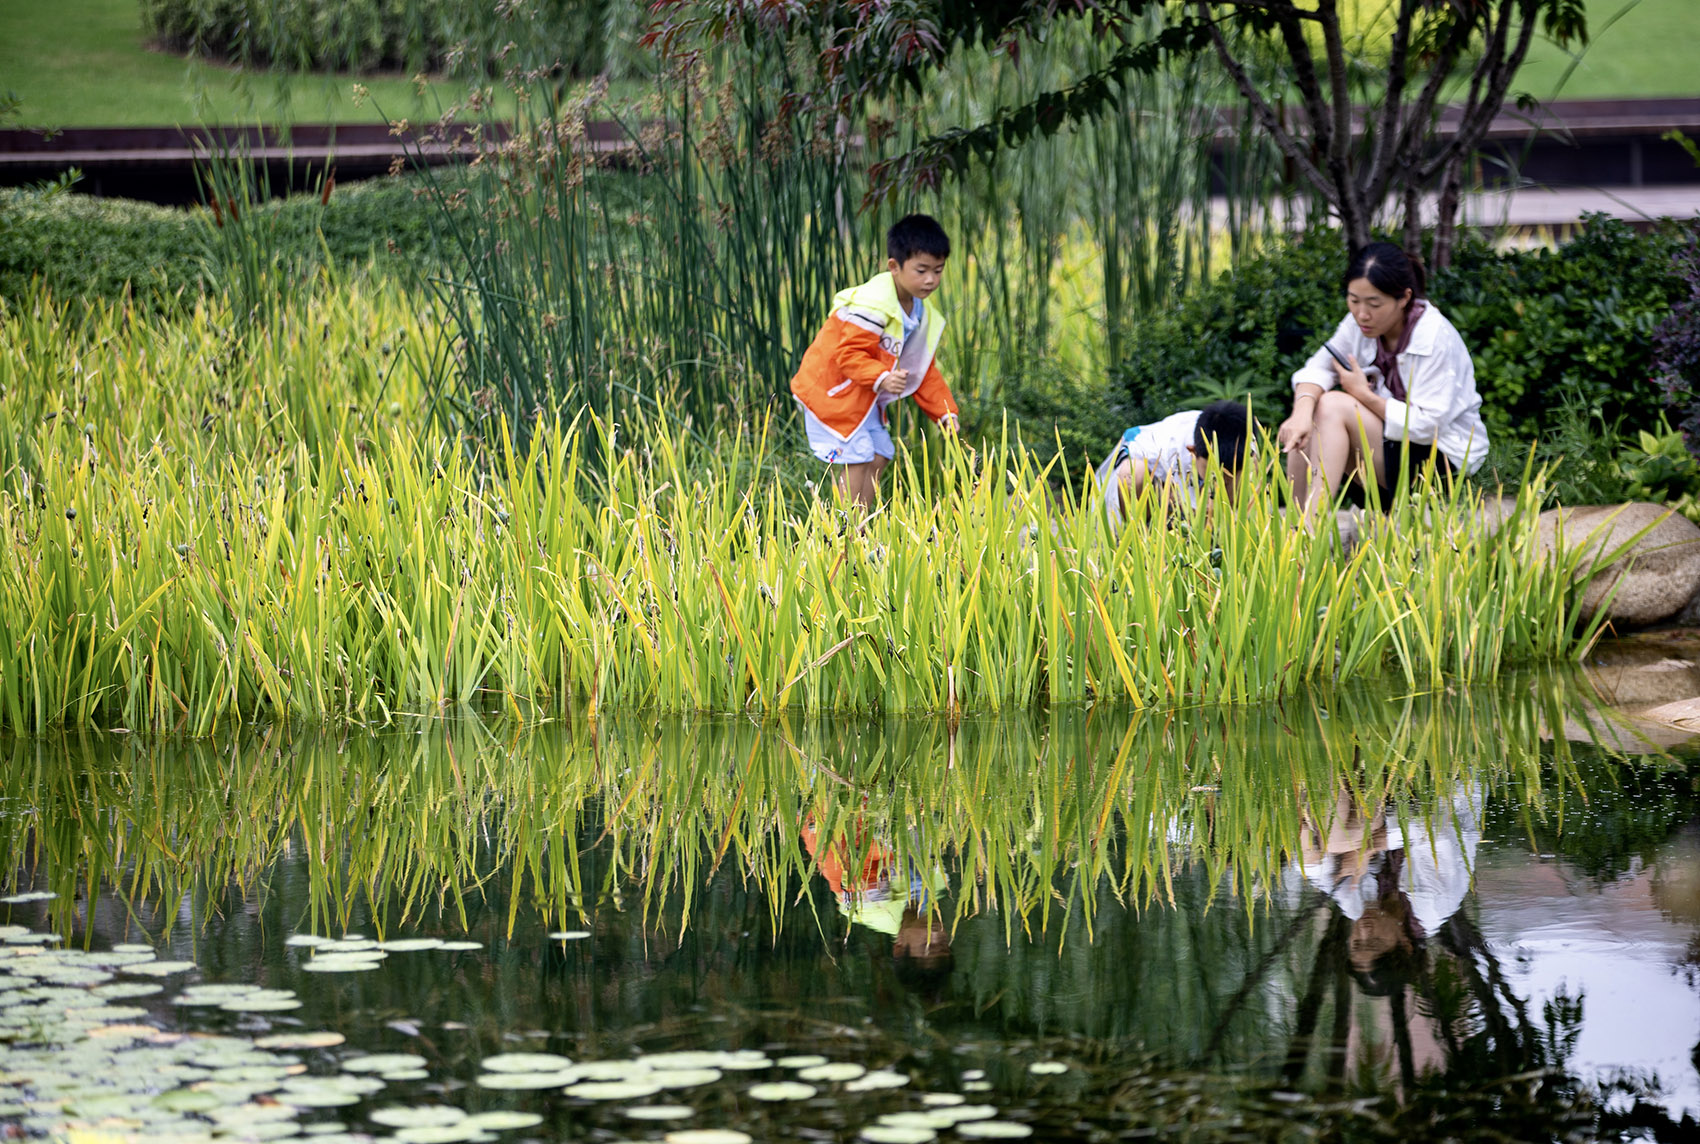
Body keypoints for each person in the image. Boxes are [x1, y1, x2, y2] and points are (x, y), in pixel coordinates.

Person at [1277, 243, 1490, 522]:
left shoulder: (1436, 337)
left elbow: (1428, 427)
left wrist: (1363, 396)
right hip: (1391, 453)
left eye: (1374, 304)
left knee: (1332, 405)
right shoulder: (1359, 323)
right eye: (1353, 300)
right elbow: (1318, 367)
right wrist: (1301, 413)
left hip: (1439, 465)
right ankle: (1293, 530)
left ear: (1404, 298)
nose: (1362, 313)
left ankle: (1311, 528)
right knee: (1309, 413)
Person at [790, 214, 961, 509]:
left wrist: (944, 413)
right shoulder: (873, 305)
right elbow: (847, 355)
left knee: (880, 452)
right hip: (832, 392)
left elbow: (922, 370)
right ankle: (844, 533)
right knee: (855, 456)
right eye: (921, 270)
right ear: (894, 266)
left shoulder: (920, 312)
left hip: (862, 395)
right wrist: (882, 377)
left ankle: (860, 527)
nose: (931, 279)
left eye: (938, 270)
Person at [1094, 400, 1258, 527]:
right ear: (1192, 451)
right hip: (1155, 475)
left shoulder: (1245, 442)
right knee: (1131, 475)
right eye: (1212, 472)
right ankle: (1138, 535)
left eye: (1229, 472)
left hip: (1185, 486)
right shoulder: (1167, 448)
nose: (1221, 478)